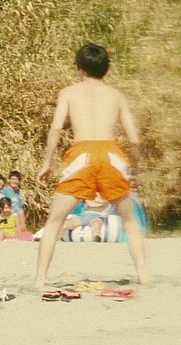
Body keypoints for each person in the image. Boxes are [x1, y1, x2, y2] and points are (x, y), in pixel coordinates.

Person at [35, 43, 148, 288]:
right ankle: (144, 276)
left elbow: (55, 129)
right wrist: (135, 170)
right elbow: (135, 139)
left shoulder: (69, 92)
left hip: (82, 154)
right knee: (130, 221)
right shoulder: (117, 96)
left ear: (80, 69)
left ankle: (40, 280)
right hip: (111, 154)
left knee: (54, 221)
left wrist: (47, 163)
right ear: (105, 68)